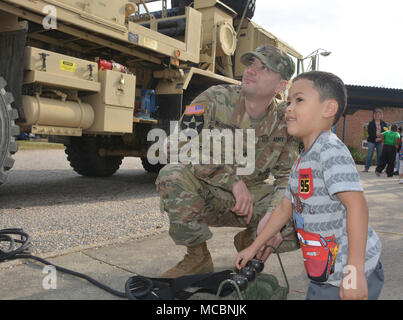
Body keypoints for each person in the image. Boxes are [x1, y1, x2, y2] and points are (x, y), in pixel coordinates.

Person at [235, 71, 383, 300]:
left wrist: (354, 272)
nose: (289, 108)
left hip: (347, 275)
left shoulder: (329, 150)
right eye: (288, 101)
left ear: (328, 109)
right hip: (325, 273)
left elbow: (357, 206)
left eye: (299, 100)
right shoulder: (302, 159)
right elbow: (285, 208)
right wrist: (254, 247)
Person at [156, 44, 300, 278]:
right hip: (207, 194)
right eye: (251, 63)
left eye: (264, 68)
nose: (251, 70)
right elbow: (175, 145)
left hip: (249, 203)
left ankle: (250, 241)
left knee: (301, 215)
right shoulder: (216, 98)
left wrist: (272, 219)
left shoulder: (284, 123)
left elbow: (287, 178)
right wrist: (231, 180)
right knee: (172, 175)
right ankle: (197, 257)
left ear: (280, 86)